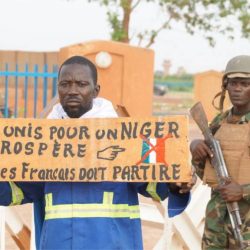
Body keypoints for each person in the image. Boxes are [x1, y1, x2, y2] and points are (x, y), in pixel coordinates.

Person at [1, 55, 194, 250]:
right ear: (58, 89)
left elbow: (155, 185)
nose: (72, 91)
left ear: (96, 90)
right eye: (65, 84)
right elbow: (17, 190)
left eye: (82, 84)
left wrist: (176, 184)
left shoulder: (124, 136)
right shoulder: (41, 141)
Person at [190, 55, 250, 249]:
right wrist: (197, 152)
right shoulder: (218, 123)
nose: (237, 89)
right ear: (226, 86)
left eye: (244, 83)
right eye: (233, 83)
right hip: (216, 224)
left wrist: (243, 191)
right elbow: (208, 173)